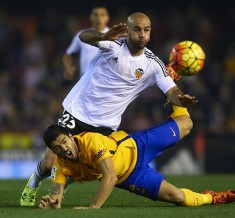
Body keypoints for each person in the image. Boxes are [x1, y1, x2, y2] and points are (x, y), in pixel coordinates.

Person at [20, 12, 197, 206]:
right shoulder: (113, 45)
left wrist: (180, 98)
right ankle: (34, 182)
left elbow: (171, 90)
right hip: (77, 111)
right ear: (128, 30)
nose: (142, 35)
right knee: (50, 162)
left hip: (105, 125)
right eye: (137, 29)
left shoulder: (153, 65)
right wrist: (104, 36)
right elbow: (83, 37)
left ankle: (60, 191)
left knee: (89, 165)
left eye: (146, 30)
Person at [39, 104, 235, 209]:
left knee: (187, 124)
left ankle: (172, 81)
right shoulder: (61, 165)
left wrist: (93, 207)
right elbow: (57, 189)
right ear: (53, 151)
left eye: (64, 142)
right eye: (57, 148)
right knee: (178, 198)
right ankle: (211, 198)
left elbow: (109, 177)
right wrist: (54, 202)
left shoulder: (91, 141)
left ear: (71, 136)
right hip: (130, 177)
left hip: (138, 145)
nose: (64, 149)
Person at [63, 5, 110, 80]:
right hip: (85, 80)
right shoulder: (82, 35)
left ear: (107, 18)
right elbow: (68, 54)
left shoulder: (114, 36)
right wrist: (68, 67)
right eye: (96, 14)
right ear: (91, 17)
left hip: (105, 81)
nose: (99, 18)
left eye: (102, 15)